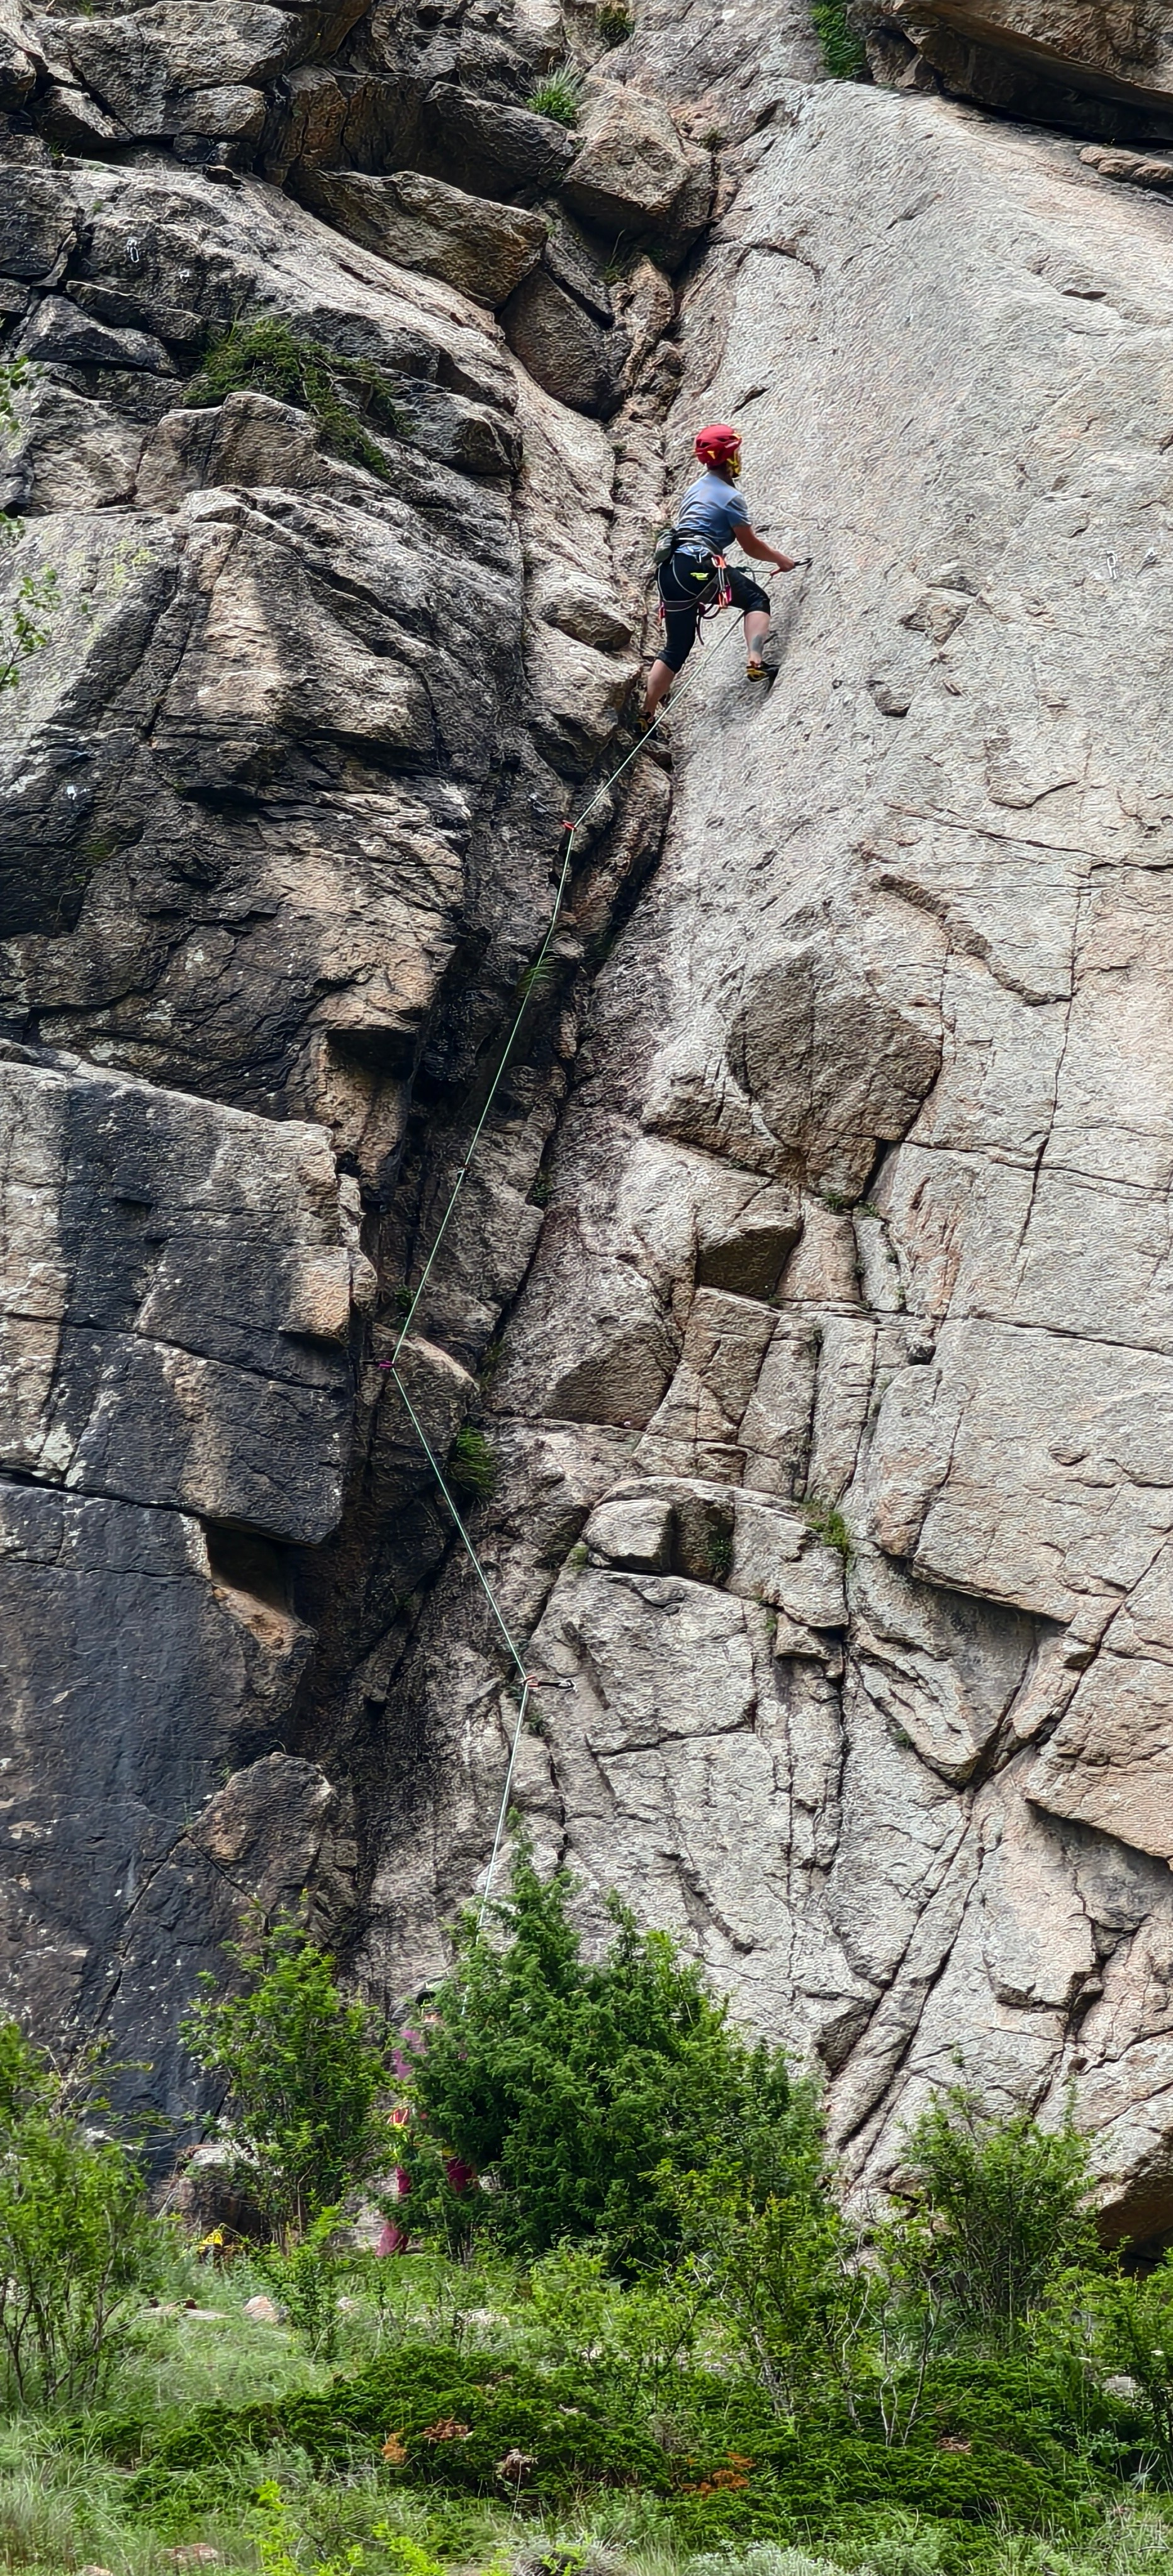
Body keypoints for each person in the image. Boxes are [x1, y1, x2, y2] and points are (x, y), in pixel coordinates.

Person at [641, 423, 797, 722]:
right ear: (730, 457)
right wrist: (781, 560)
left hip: (671, 569)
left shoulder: (694, 489)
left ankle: (646, 712)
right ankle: (755, 662)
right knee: (755, 599)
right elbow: (750, 546)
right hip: (699, 568)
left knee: (675, 648)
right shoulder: (730, 497)